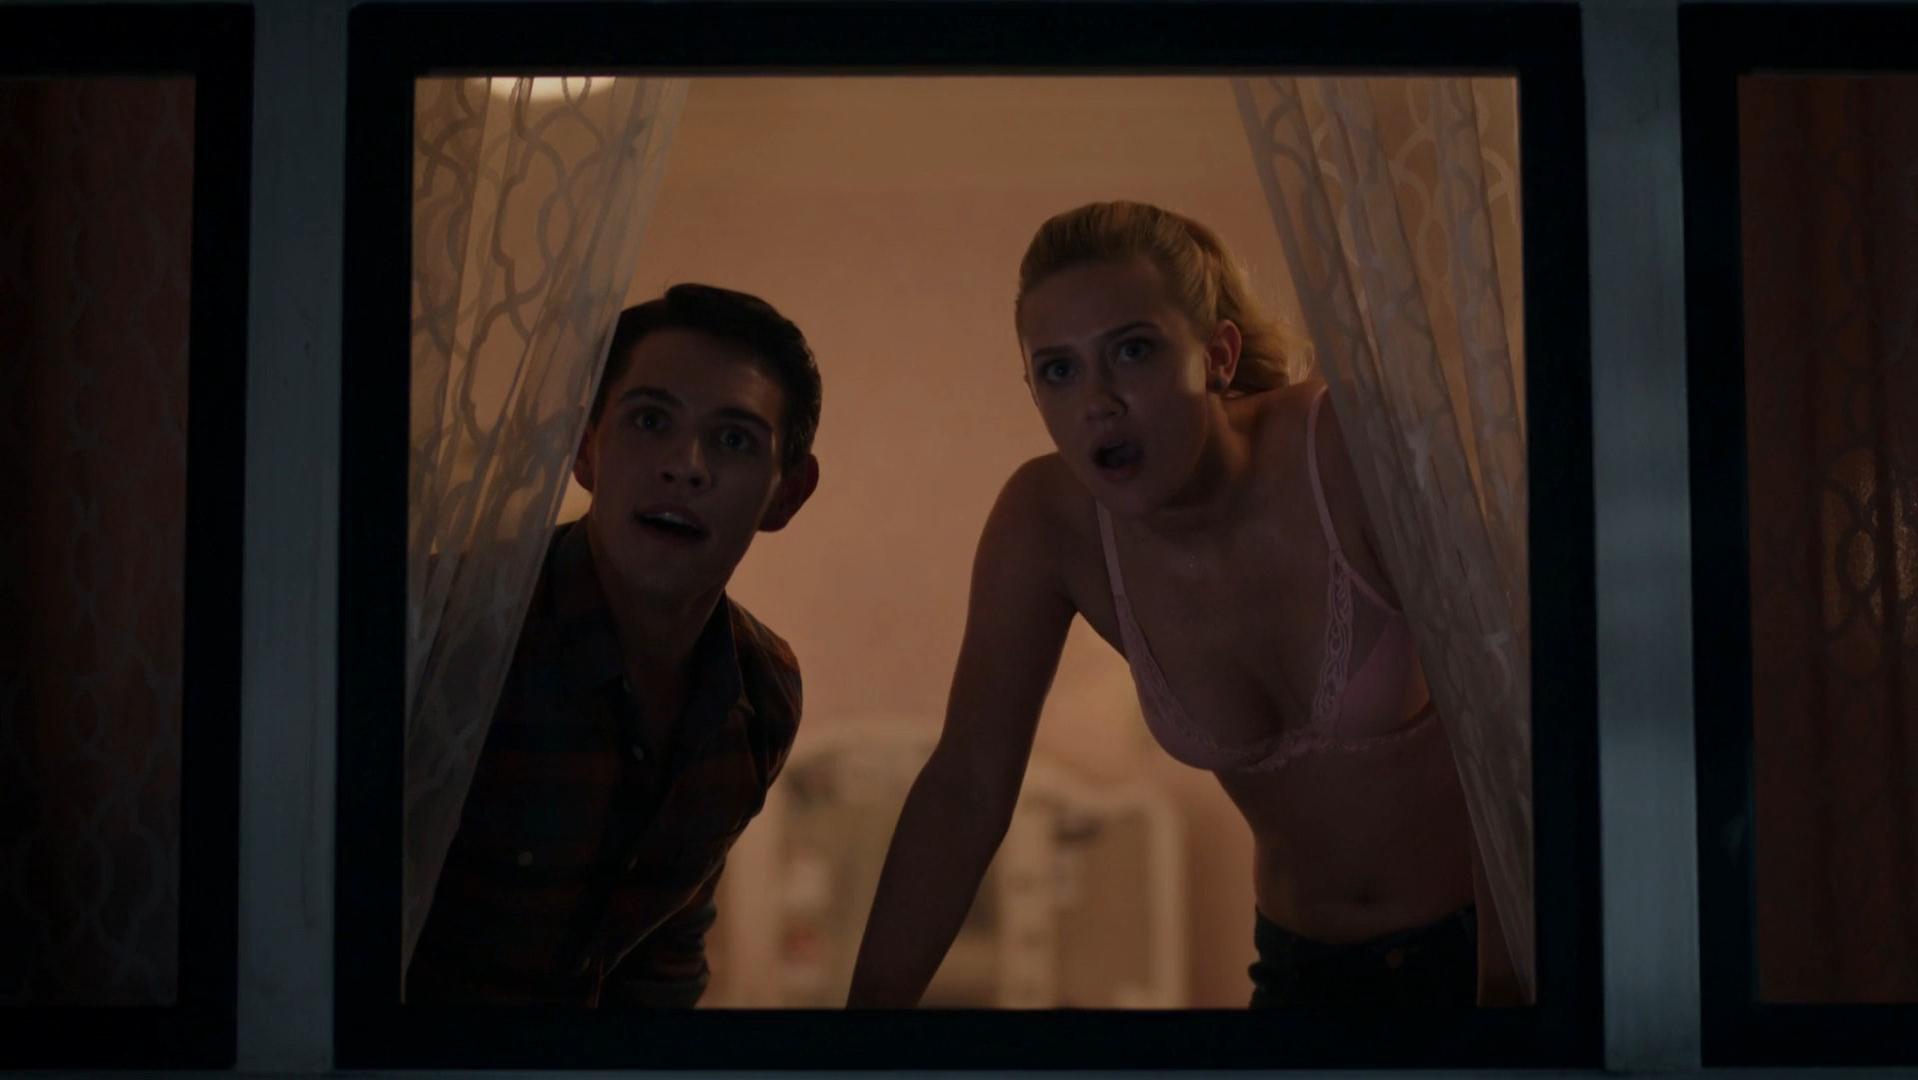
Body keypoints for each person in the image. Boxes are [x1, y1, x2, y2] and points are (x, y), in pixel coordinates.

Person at [847, 202, 1518, 1009]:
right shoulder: (1048, 524)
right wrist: (857, 1039)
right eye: (1058, 371)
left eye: (1132, 351)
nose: (1097, 402)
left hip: (1489, 946)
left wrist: (1510, 1001)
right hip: (1299, 972)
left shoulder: (1350, 448)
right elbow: (966, 787)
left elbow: (1512, 725)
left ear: (1217, 355)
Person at [407, 284, 822, 1006]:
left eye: (734, 439)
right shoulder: (450, 630)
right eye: (650, 420)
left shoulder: (760, 691)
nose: (686, 465)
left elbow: (664, 947)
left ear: (786, 495)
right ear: (584, 449)